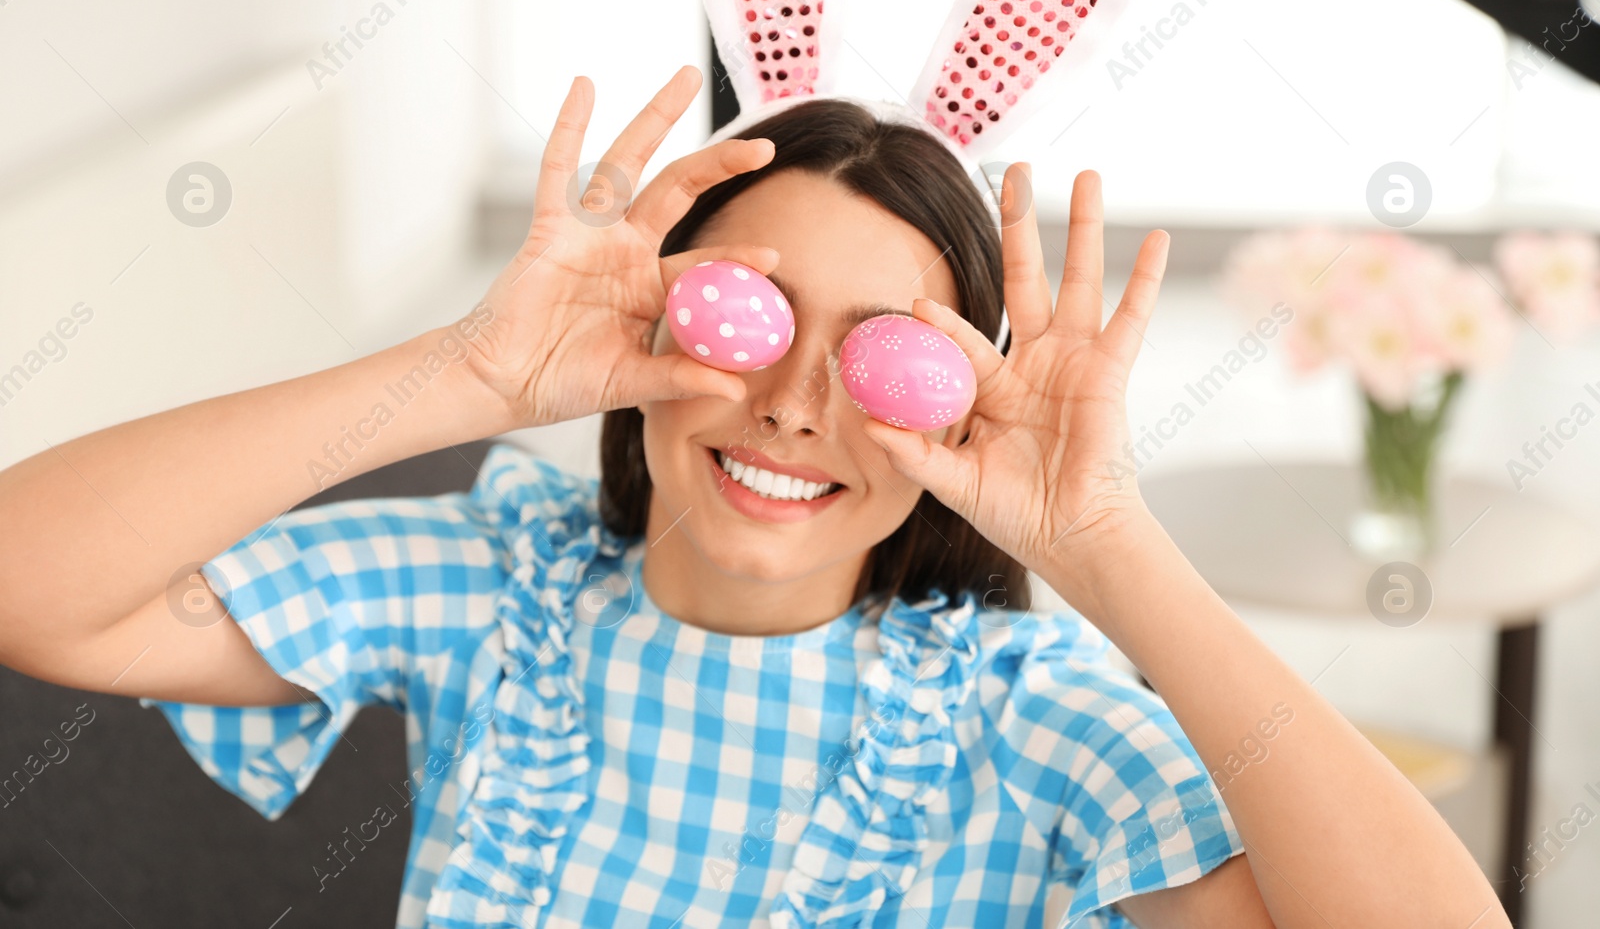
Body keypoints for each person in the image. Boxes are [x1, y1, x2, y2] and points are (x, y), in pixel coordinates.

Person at [0, 66, 1507, 927]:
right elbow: (32, 586)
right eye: (754, 318)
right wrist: (462, 376)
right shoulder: (496, 592)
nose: (795, 403)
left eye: (886, 360)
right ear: (652, 329)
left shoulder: (1021, 722)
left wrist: (1110, 548)